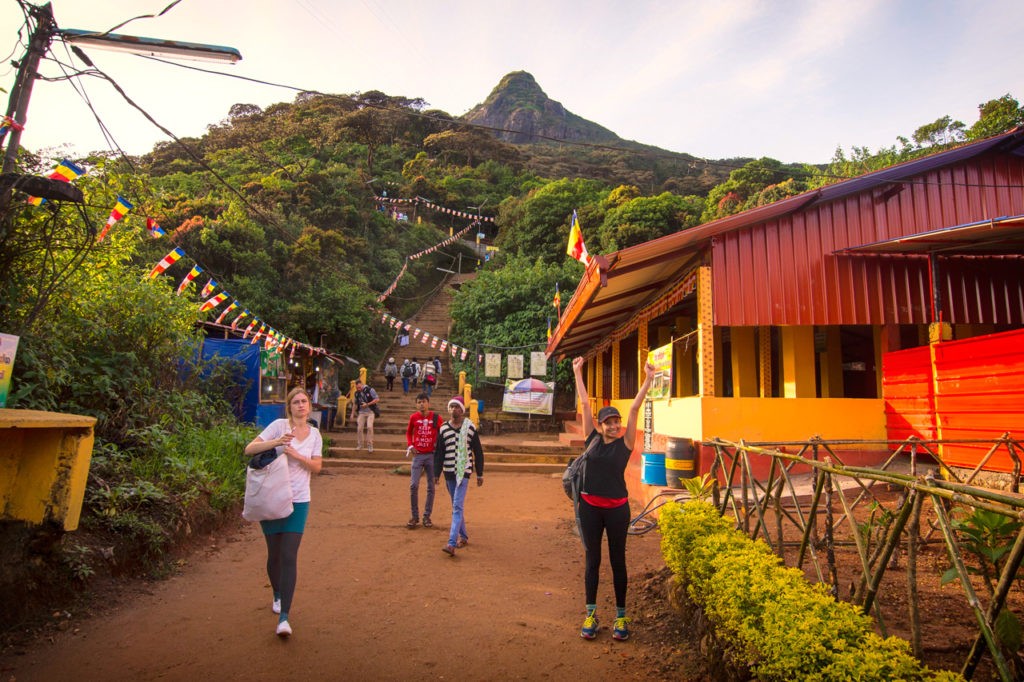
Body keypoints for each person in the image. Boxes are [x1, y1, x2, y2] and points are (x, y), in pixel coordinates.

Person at [571, 355, 654, 642]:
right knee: (592, 560)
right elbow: (584, 404)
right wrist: (577, 372)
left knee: (618, 561)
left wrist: (648, 380)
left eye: (616, 421)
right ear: (600, 424)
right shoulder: (592, 438)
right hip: (590, 509)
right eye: (609, 422)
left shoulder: (625, 444)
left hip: (618, 511)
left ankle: (621, 616)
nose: (614, 425)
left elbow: (634, 409)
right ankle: (591, 614)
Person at [242, 387, 323, 638]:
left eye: (304, 401)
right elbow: (249, 449)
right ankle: (276, 593)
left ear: (309, 406)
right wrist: (277, 442)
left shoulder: (315, 435)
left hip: (299, 500)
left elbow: (317, 467)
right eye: (296, 402)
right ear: (289, 407)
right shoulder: (278, 426)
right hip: (272, 496)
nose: (301, 405)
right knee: (274, 555)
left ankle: (285, 617)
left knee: (289, 554)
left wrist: (296, 455)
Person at [433, 395, 484, 557]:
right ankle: (464, 536)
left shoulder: (470, 428)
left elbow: (478, 451)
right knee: (457, 506)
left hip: (464, 472)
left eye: (457, 407)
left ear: (462, 410)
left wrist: (480, 473)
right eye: (452, 406)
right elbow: (439, 452)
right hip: (448, 472)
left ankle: (451, 543)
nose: (454, 409)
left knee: (456, 506)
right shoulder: (443, 429)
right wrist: (436, 473)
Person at [405, 392, 441, 529]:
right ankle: (415, 516)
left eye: (424, 401)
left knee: (431, 487)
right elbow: (408, 432)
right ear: (416, 404)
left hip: (432, 455)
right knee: (413, 485)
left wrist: (439, 450)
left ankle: (427, 516)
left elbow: (442, 432)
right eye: (419, 402)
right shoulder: (413, 417)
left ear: (428, 403)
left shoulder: (436, 418)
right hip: (418, 455)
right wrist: (410, 445)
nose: (421, 404)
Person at [350, 378, 380, 453]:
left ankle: (370, 444)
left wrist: (367, 404)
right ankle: (360, 444)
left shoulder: (370, 390)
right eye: (357, 388)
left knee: (369, 427)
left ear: (362, 385)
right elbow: (355, 404)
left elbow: (377, 399)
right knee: (359, 428)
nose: (358, 389)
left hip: (370, 411)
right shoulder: (357, 393)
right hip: (361, 412)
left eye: (360, 387)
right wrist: (352, 414)